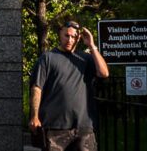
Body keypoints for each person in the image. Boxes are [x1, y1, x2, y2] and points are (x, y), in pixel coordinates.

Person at [29, 20, 110, 151]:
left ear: (78, 38)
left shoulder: (86, 58)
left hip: (83, 128)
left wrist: (91, 45)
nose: (70, 40)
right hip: (54, 128)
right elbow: (36, 88)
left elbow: (104, 73)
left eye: (74, 36)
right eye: (67, 35)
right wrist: (34, 116)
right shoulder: (48, 58)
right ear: (60, 35)